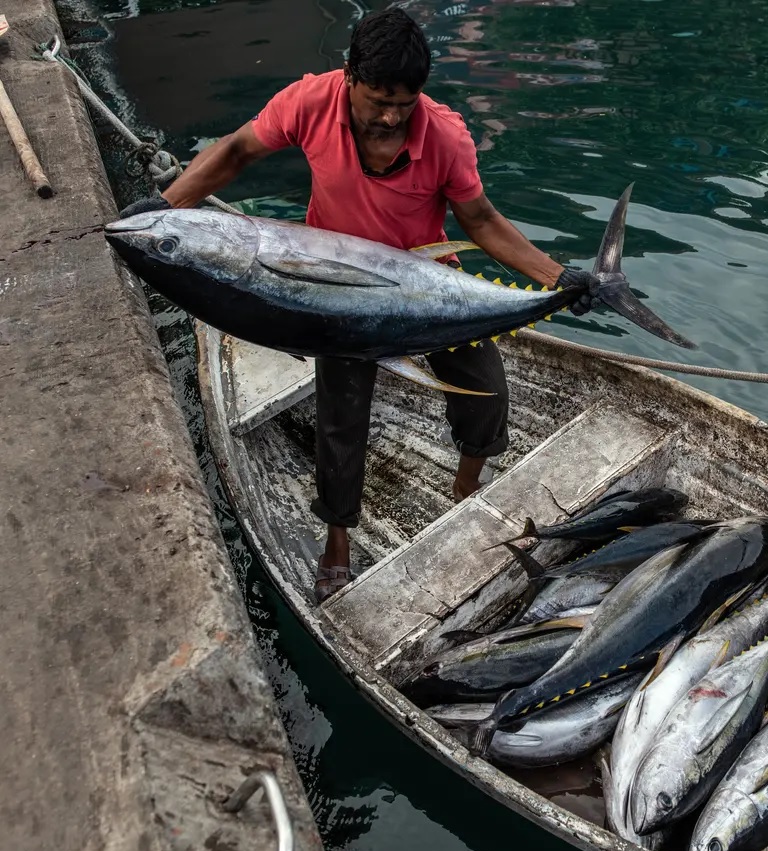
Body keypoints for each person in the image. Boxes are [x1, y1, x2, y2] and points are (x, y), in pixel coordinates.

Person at [119, 8, 611, 602]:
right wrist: (162, 206)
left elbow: (479, 220)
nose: (389, 115)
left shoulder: (445, 135)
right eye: (378, 99)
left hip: (430, 286)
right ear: (349, 74)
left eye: (404, 104)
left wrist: (561, 277)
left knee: (487, 393)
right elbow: (236, 152)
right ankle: (338, 543)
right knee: (341, 425)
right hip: (330, 299)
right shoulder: (309, 103)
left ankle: (465, 492)